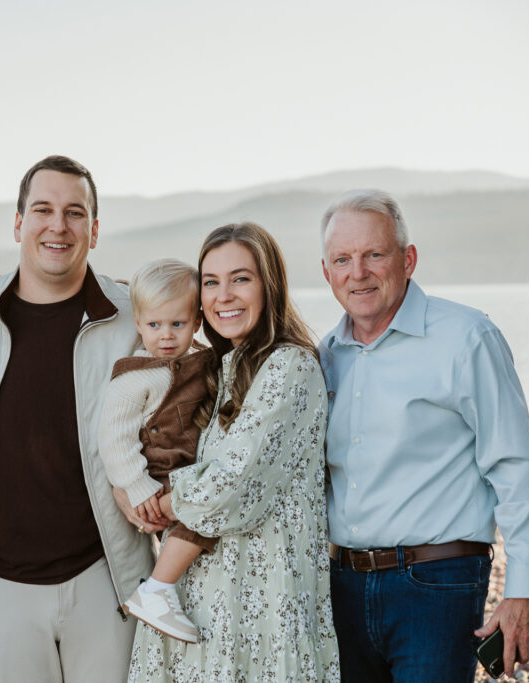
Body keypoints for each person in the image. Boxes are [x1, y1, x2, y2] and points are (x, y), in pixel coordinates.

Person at [0, 155, 155, 682]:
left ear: (94, 230)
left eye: (75, 212)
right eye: (42, 210)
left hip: (106, 577)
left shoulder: (134, 317)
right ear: (18, 223)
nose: (58, 225)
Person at [318, 189, 529, 682]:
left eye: (374, 254)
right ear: (326, 272)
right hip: (341, 590)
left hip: (436, 585)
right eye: (342, 259)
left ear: (408, 259)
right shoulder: (323, 357)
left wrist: (526, 589)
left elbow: (516, 467)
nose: (357, 272)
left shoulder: (466, 338)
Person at [129, 222, 341, 682]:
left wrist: (160, 503)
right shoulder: (224, 367)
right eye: (211, 282)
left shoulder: (290, 366)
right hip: (200, 608)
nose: (223, 295)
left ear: (270, 285)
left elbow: (229, 486)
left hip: (260, 614)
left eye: (240, 279)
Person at [97, 258, 216, 644]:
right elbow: (115, 438)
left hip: (189, 464)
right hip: (159, 473)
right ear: (138, 323)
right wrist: (137, 486)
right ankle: (157, 591)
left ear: (197, 322)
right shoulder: (134, 376)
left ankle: (171, 593)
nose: (165, 335)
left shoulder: (201, 360)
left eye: (177, 324)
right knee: (195, 518)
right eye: (154, 325)